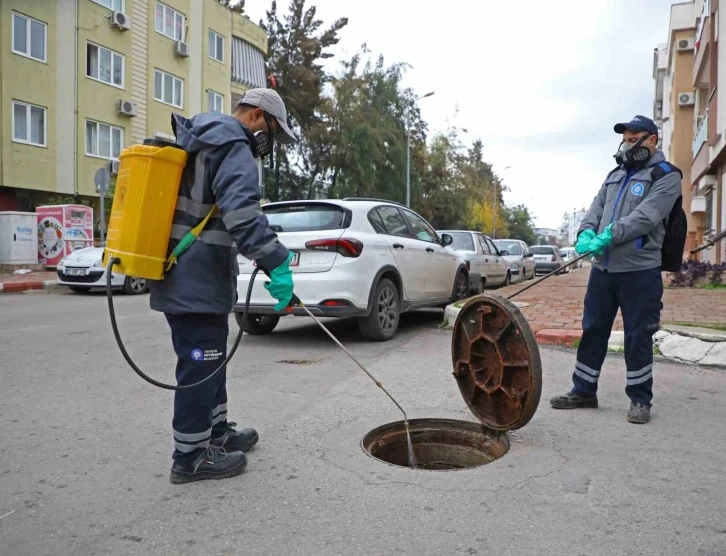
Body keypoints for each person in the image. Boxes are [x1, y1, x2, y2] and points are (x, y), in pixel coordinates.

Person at [148, 88, 297, 484]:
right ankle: (191, 456)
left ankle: (215, 433)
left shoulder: (205, 140)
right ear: (255, 116)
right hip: (194, 279)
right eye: (273, 131)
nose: (272, 142)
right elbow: (243, 217)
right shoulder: (233, 144)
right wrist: (277, 260)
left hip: (192, 276)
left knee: (210, 359)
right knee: (201, 363)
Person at [550, 115, 682, 424]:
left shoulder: (666, 175)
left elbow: (647, 217)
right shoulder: (615, 174)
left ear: (652, 140)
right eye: (625, 138)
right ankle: (583, 390)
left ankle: (640, 399)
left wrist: (610, 234)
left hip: (639, 270)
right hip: (603, 269)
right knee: (593, 329)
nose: (628, 143)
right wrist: (585, 232)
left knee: (638, 334)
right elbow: (596, 208)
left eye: (635, 138)